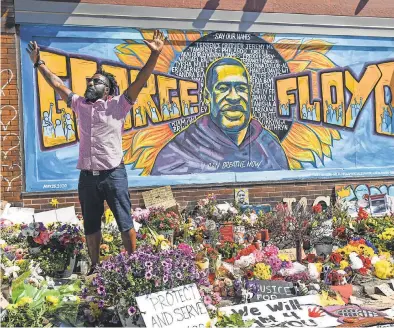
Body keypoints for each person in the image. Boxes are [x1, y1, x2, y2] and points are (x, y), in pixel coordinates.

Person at [27, 30, 165, 274]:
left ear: (108, 90)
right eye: (90, 80)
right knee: (91, 224)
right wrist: (39, 63)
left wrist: (154, 55)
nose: (91, 83)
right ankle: (95, 267)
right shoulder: (80, 104)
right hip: (87, 178)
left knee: (124, 221)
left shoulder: (118, 105)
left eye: (97, 81)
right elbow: (58, 84)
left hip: (113, 174)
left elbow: (142, 80)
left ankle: (133, 265)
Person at [151, 57, 289, 175]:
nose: (234, 97)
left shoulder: (269, 146)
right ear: (207, 96)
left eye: (241, 88)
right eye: (223, 88)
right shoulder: (179, 150)